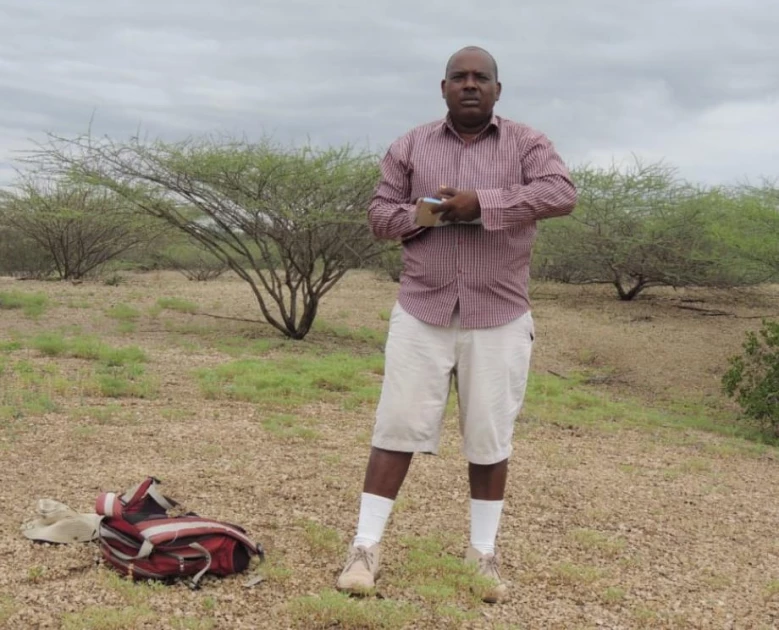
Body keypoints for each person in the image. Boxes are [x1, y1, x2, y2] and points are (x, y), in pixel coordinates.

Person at [336, 46, 577, 603]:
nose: (470, 85)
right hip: (422, 310)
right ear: (442, 88)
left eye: (481, 78)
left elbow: (561, 193)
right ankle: (365, 549)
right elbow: (379, 216)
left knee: (489, 437)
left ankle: (482, 555)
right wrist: (437, 211)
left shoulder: (528, 143)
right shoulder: (410, 145)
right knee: (395, 428)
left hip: (500, 313)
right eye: (459, 78)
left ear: (498, 89)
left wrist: (483, 204)